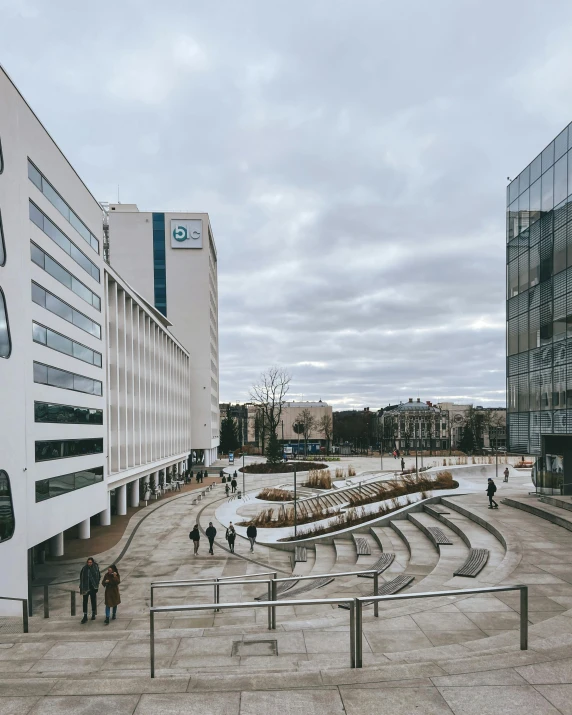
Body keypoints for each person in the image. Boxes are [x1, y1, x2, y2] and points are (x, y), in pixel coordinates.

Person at [79, 557, 100, 624]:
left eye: (90, 562)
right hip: (86, 587)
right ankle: (85, 615)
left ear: (92, 562)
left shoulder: (96, 568)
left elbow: (98, 576)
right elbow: (81, 577)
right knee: (85, 602)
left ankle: (93, 613)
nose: (89, 563)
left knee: (93, 601)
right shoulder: (84, 569)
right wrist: (82, 585)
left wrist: (96, 585)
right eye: (88, 562)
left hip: (93, 588)